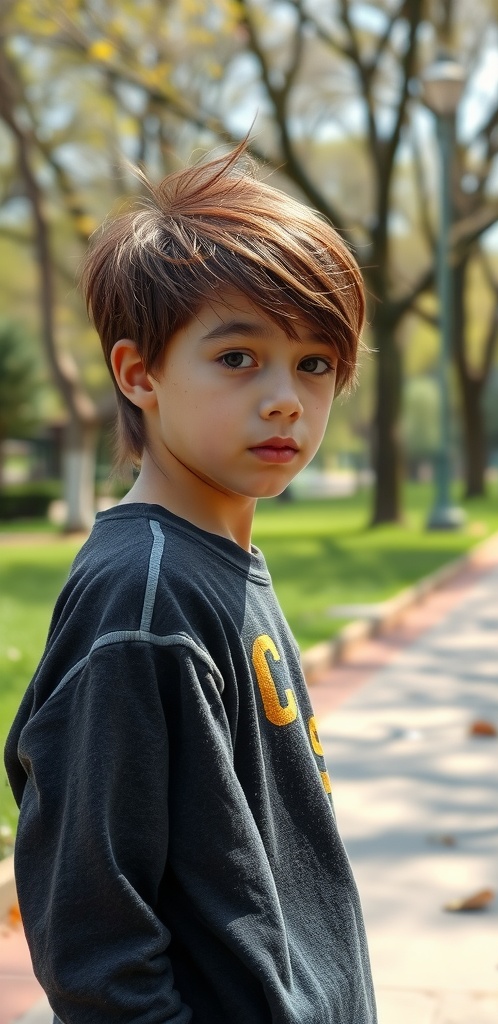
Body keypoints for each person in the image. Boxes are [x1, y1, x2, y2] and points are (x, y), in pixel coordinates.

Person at [4, 142, 377, 1024]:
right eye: (239, 357)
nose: (286, 397)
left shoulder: (219, 562)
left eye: (315, 363)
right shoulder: (141, 598)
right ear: (140, 374)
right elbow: (94, 938)